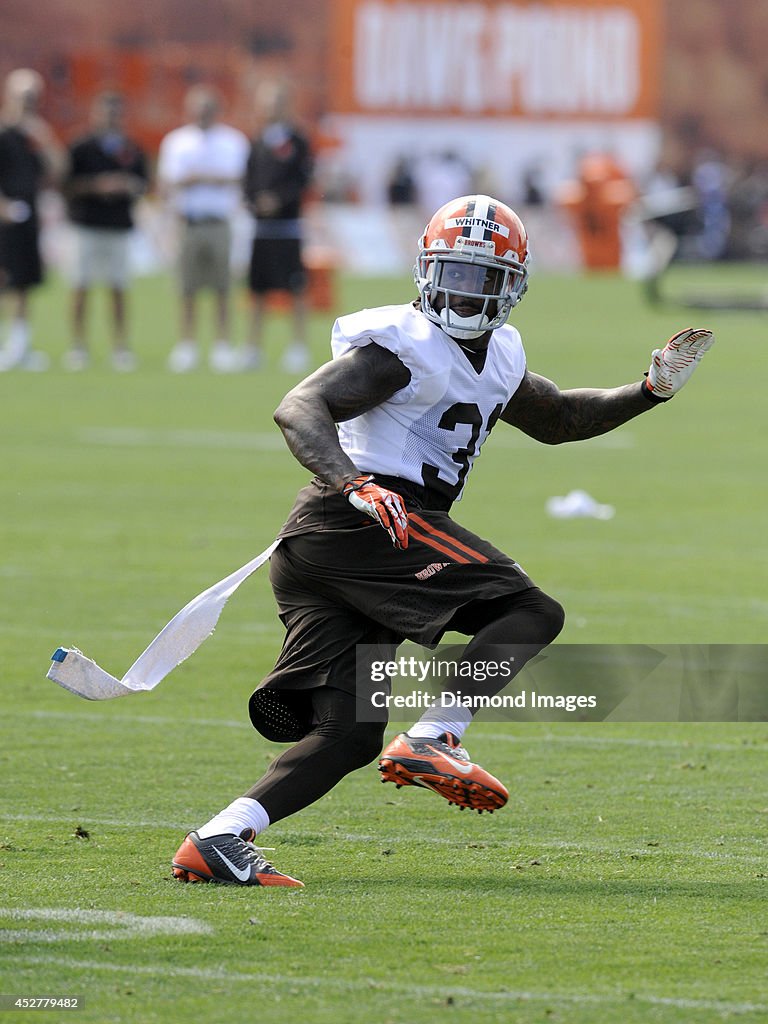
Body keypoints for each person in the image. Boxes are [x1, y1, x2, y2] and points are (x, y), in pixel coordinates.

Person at [171, 194, 715, 888]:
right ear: (427, 270)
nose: (463, 291)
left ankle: (221, 836)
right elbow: (299, 406)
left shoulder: (498, 354)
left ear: (511, 286)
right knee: (532, 613)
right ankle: (435, 735)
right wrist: (353, 484)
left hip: (338, 543)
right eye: (453, 273)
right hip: (366, 520)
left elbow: (560, 418)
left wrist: (649, 390)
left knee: (350, 734)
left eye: (481, 278)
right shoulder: (403, 347)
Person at [157, 86, 249, 373]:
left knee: (221, 286)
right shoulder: (177, 141)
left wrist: (199, 177)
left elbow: (237, 178)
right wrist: (203, 178)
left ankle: (222, 345)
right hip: (190, 221)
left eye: (208, 108)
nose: (203, 114)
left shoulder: (233, 140)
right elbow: (169, 180)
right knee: (188, 287)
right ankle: (187, 344)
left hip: (219, 221)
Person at [63, 92, 148, 371]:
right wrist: (97, 185)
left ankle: (120, 347)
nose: (110, 118)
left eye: (115, 112)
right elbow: (67, 185)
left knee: (118, 288)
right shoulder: (81, 147)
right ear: (95, 114)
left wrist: (127, 185)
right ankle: (78, 346)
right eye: (105, 112)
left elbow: (144, 184)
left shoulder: (132, 148)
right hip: (86, 224)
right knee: (80, 285)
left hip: (118, 226)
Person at [241, 80, 314, 373]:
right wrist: (254, 201)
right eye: (267, 103)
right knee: (257, 290)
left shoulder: (297, 141)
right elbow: (248, 179)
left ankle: (298, 346)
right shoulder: (257, 141)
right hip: (261, 229)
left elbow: (302, 181)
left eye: (277, 103)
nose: (272, 109)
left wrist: (279, 201)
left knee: (295, 288)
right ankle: (253, 348)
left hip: (288, 227)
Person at [0, 68, 66, 371]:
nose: (29, 103)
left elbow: (58, 170)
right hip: (5, 217)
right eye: (24, 96)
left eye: (33, 97)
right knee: (4, 281)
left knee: (24, 282)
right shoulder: (3, 132)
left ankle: (19, 345)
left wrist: (43, 136)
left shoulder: (34, 135)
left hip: (27, 216)